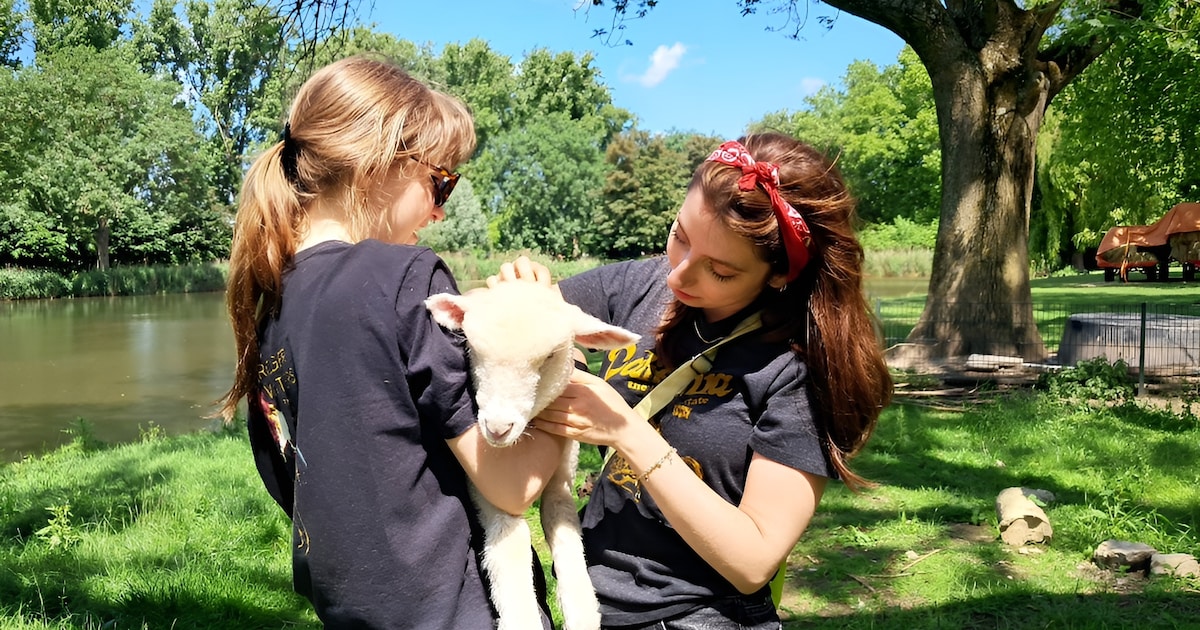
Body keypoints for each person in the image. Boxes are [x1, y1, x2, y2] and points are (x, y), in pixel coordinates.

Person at [218, 55, 563, 629]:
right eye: (441, 181)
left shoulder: (270, 298)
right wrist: (553, 352)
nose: (439, 211)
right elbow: (512, 486)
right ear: (381, 162)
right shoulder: (406, 278)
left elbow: (289, 478)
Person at [526, 133, 894, 629]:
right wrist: (532, 309)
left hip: (702, 616)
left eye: (719, 272)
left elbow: (754, 560)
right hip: (595, 609)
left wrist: (625, 432)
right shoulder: (641, 284)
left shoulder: (797, 370)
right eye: (680, 235)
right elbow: (530, 315)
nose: (677, 276)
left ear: (778, 275)